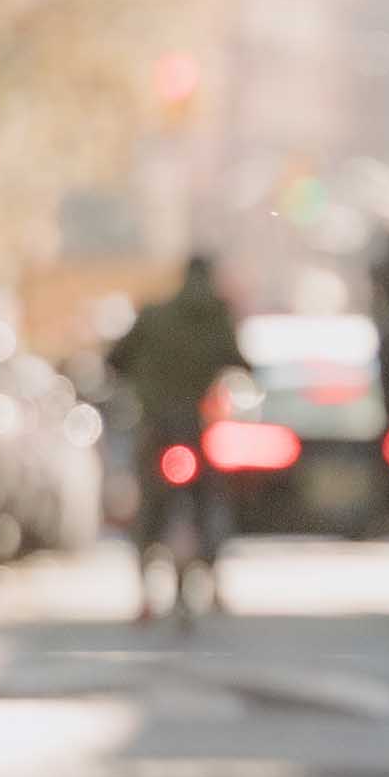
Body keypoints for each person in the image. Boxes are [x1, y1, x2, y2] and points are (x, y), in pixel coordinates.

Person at [108, 253, 247, 615]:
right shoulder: (215, 317)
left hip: (155, 424)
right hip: (193, 425)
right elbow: (237, 359)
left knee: (149, 507)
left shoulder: (154, 314)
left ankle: (144, 591)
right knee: (208, 501)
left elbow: (116, 360)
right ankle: (212, 581)